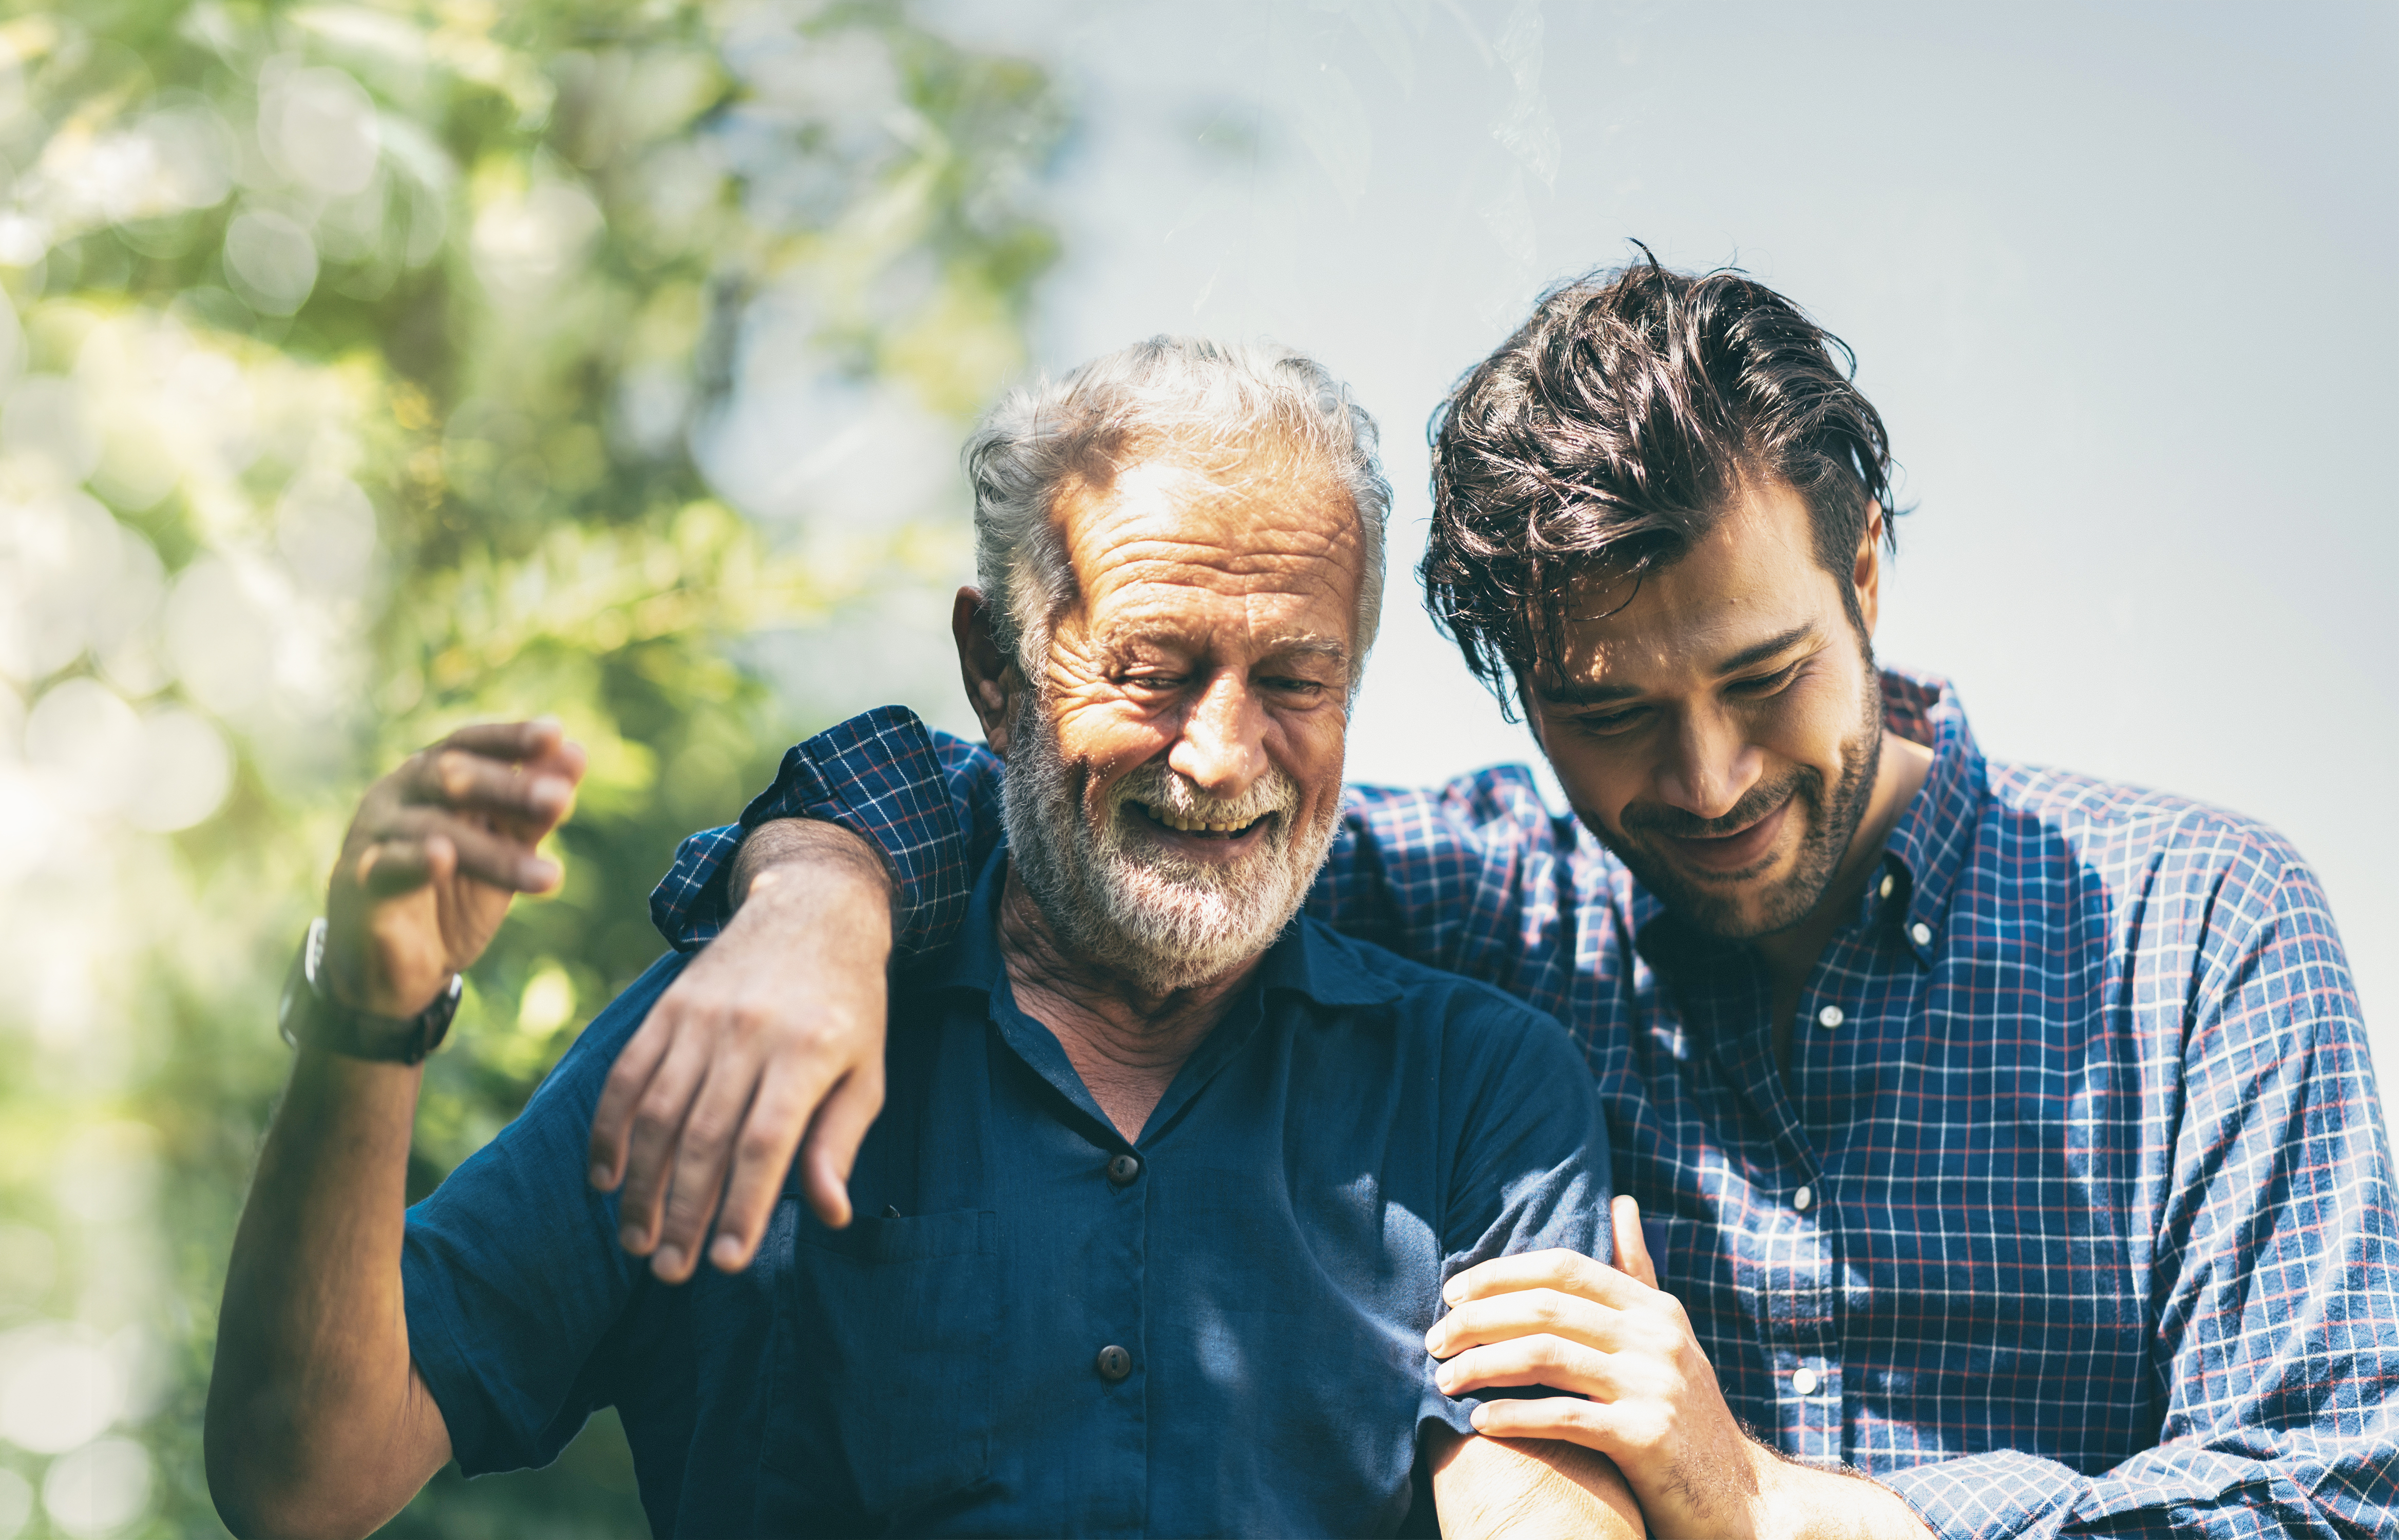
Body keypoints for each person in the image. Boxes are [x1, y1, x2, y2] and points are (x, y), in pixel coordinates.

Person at [596, 255, 2399, 1538]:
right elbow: (1072, 796)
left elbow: (2334, 1494)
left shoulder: (2203, 934)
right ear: (1509, 684)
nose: (1702, 783)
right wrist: (815, 895)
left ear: (1866, 568)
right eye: (1609, 715)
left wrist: (1774, 1511)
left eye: (1765, 678)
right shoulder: (1468, 911)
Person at [204, 338, 1652, 1538]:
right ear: (994, 670)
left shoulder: (1481, 1091)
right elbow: (302, 1477)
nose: (1221, 755)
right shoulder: (743, 1028)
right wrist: (370, 1014)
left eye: (1296, 678)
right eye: (1152, 671)